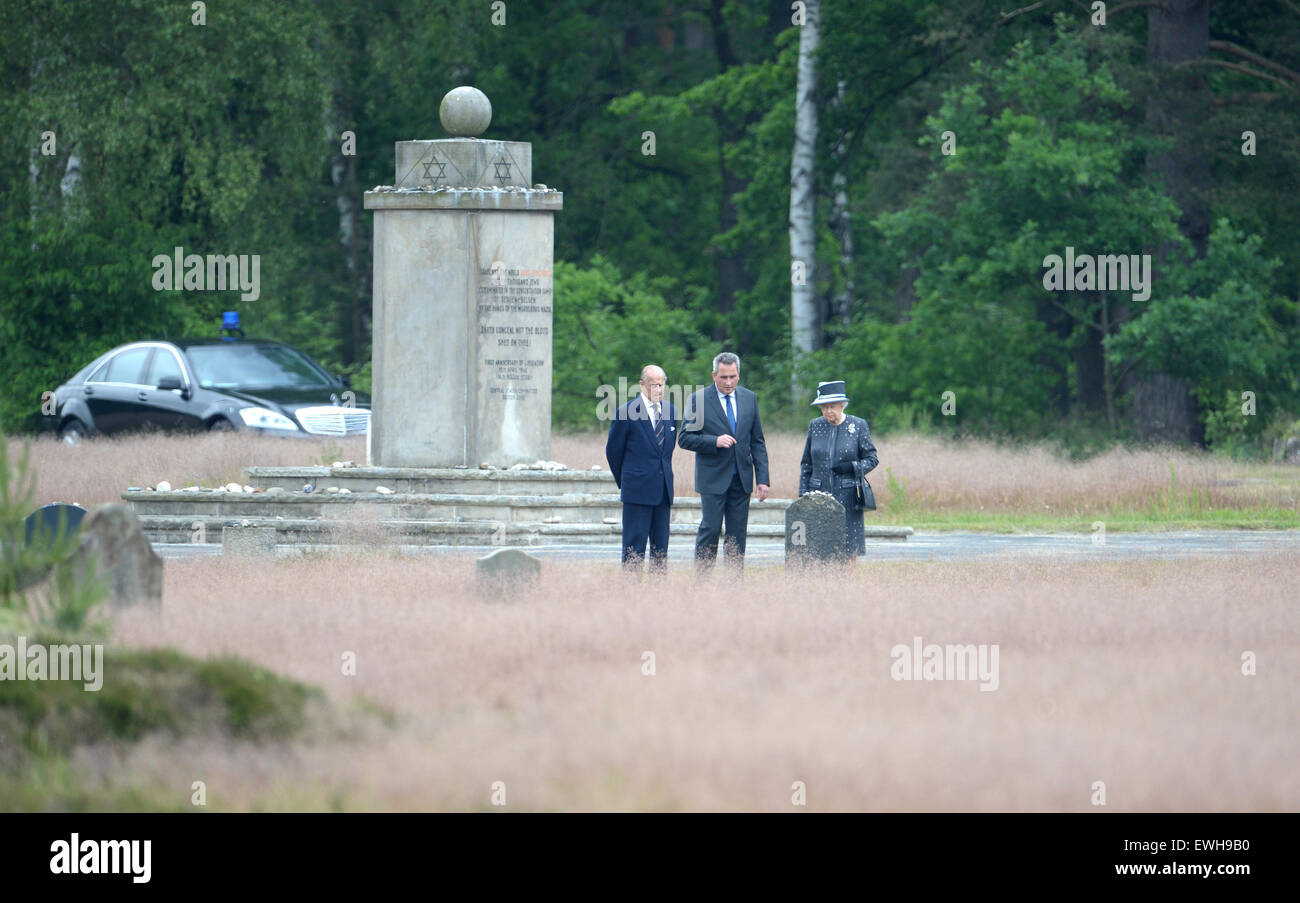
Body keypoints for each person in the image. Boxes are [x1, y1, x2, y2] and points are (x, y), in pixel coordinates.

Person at [678, 352, 769, 572]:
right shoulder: (698, 400)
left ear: (738, 375)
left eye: (733, 377)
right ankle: (702, 582)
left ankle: (733, 585)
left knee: (737, 533)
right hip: (713, 479)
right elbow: (684, 439)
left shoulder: (749, 398)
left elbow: (757, 441)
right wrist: (714, 441)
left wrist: (763, 479)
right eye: (723, 377)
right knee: (710, 529)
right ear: (713, 375)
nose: (728, 382)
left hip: (742, 479)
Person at [605, 365, 676, 573]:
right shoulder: (626, 412)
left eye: (662, 384)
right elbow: (613, 452)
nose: (658, 389)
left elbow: (666, 452)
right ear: (642, 385)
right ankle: (630, 596)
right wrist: (628, 481)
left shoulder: (671, 411)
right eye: (654, 385)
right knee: (633, 550)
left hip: (663, 492)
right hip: (636, 492)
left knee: (660, 550)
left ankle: (657, 596)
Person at [798, 380, 879, 557]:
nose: (828, 411)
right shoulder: (815, 425)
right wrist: (803, 493)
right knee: (821, 548)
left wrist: (852, 467)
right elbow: (806, 463)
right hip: (819, 494)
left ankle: (847, 584)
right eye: (823, 407)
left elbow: (872, 459)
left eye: (832, 406)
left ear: (842, 405)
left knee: (849, 549)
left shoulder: (858, 425)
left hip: (848, 495)